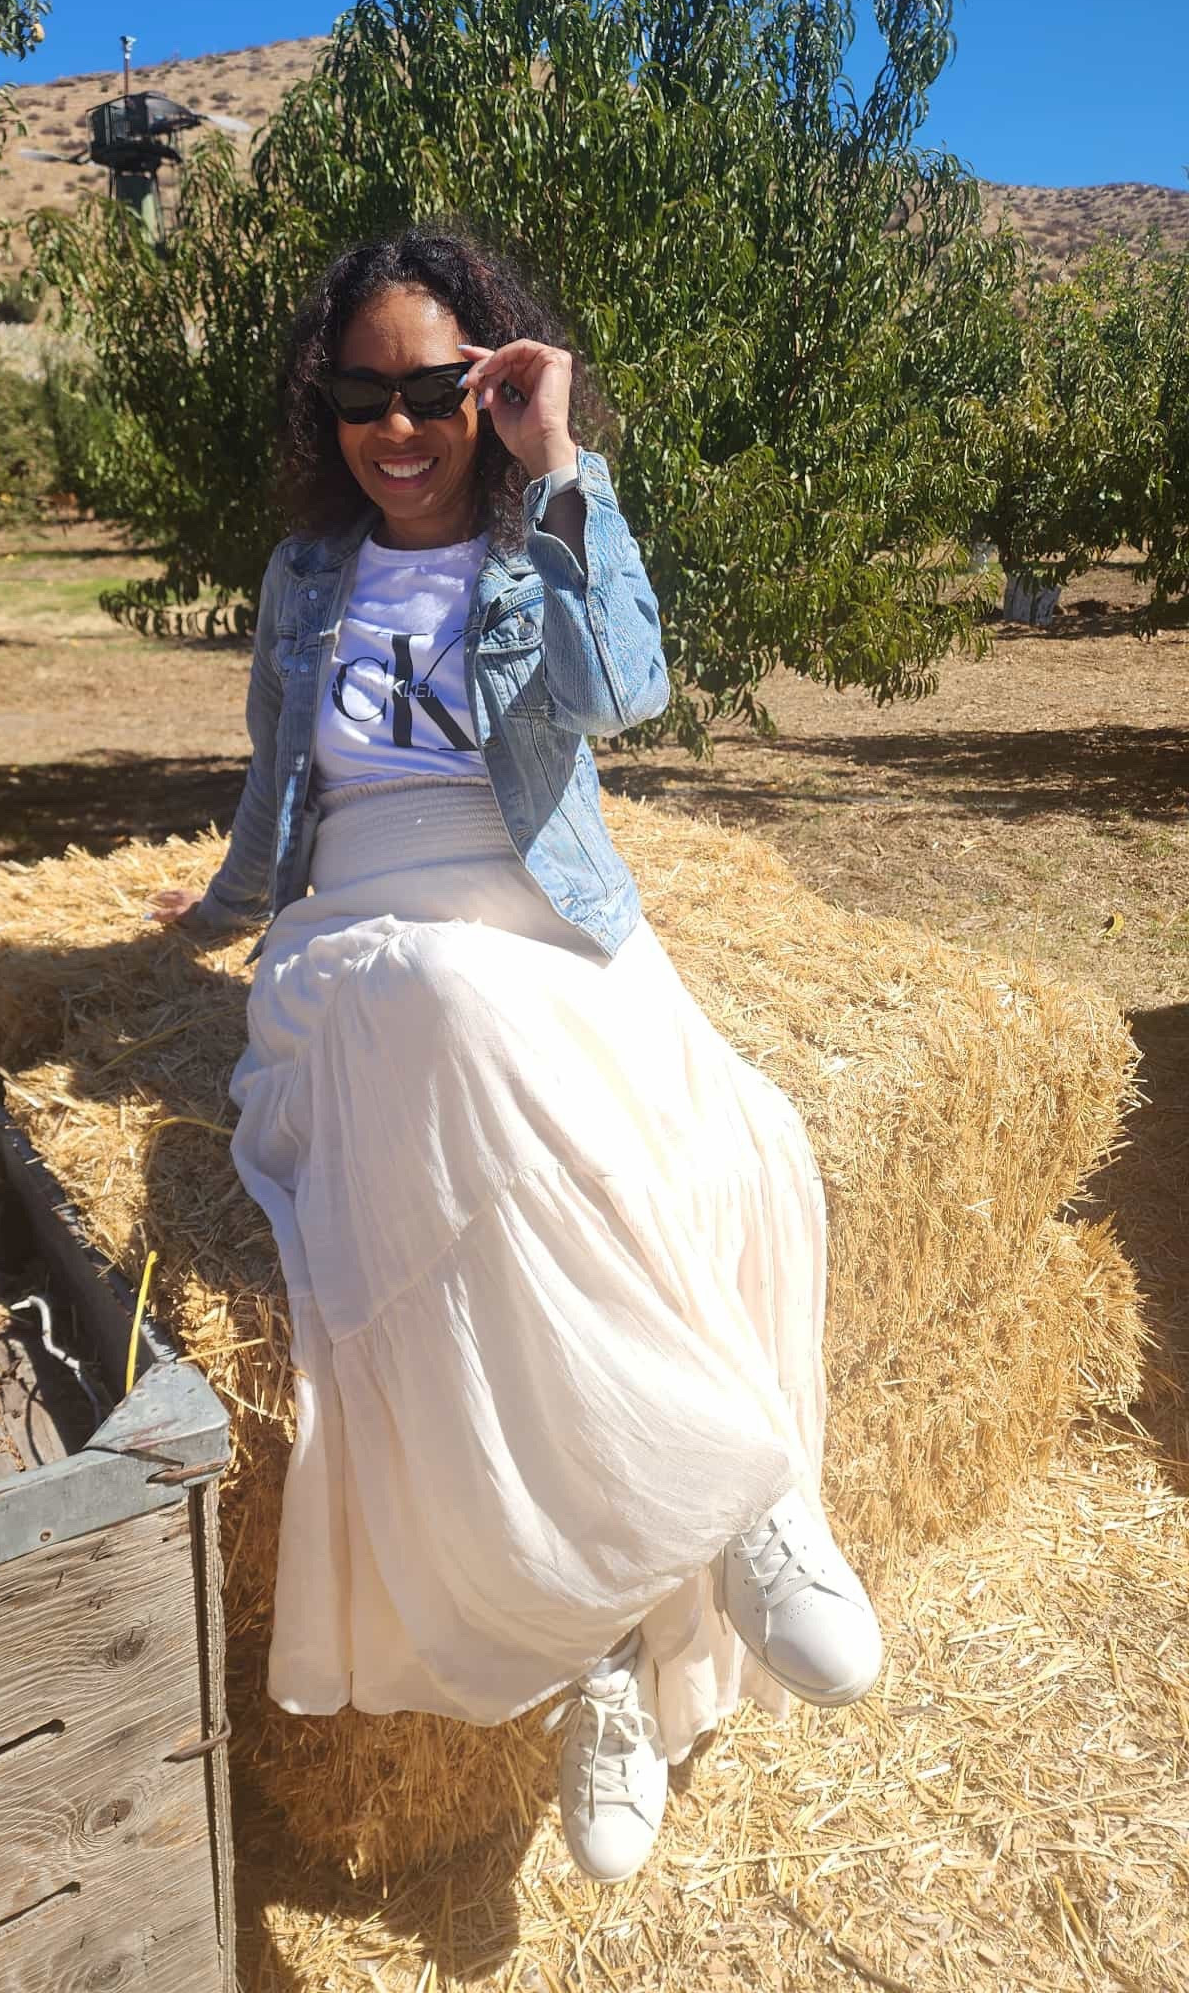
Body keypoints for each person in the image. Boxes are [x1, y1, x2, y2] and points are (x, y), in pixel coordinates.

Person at [147, 226, 882, 1885]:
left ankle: (660, 1602)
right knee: (463, 1016)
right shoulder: (303, 577)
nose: (396, 429)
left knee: (740, 1137)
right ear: (321, 401)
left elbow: (627, 691)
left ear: (495, 384)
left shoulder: (534, 536)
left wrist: (569, 467)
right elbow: (279, 790)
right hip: (370, 941)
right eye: (361, 393)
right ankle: (730, 1493)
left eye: (436, 388)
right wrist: (200, 918)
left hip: (555, 921)